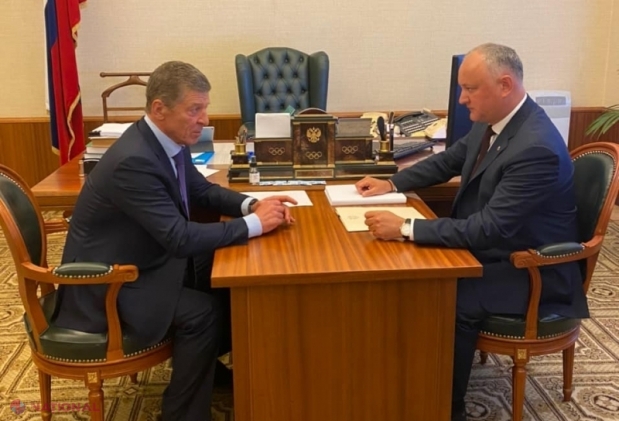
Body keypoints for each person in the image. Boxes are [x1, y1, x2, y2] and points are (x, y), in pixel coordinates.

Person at [355, 43, 589, 421]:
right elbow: (449, 161)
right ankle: (408, 378)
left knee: (443, 295)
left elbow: (488, 229)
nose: (462, 99)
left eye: (470, 89)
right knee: (416, 274)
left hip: (530, 270)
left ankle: (447, 407)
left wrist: (406, 227)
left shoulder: (536, 148)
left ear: (505, 85)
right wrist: (392, 183)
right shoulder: (494, 120)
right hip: (497, 250)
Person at [52, 61, 296, 421]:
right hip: (109, 283)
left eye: (205, 108)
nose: (204, 119)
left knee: (229, 283)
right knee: (204, 312)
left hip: (144, 259)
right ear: (159, 109)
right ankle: (182, 413)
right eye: (194, 109)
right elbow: (179, 238)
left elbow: (202, 191)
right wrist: (255, 225)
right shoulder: (133, 161)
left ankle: (205, 371)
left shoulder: (167, 140)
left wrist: (252, 204)